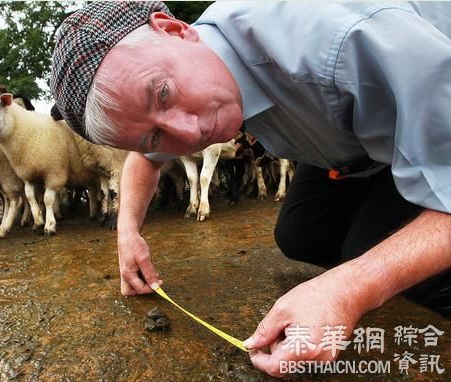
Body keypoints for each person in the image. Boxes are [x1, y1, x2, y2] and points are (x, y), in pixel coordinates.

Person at [50, 2, 451, 377]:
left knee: (362, 254)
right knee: (301, 234)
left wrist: (356, 285)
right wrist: (128, 232)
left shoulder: (346, 40)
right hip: (348, 145)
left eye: (164, 94)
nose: (190, 134)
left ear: (173, 29)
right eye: (155, 137)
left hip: (431, 118)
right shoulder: (187, 70)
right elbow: (143, 158)